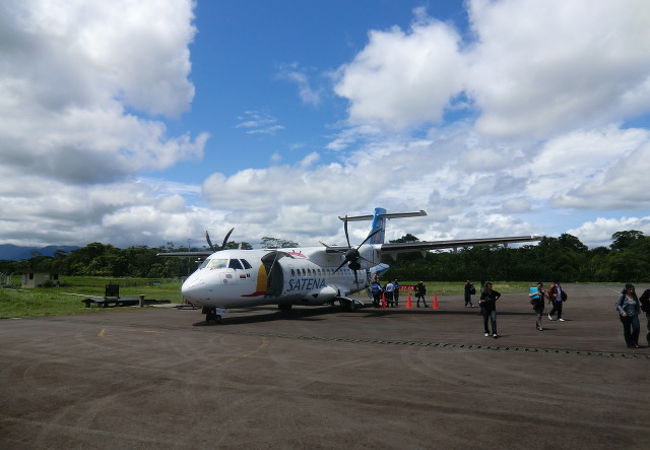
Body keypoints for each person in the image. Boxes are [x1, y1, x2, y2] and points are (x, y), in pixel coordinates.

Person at [616, 284, 641, 348]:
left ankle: (634, 341)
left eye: (632, 289)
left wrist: (638, 310)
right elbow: (617, 305)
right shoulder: (622, 296)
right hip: (625, 315)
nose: (632, 290)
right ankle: (630, 343)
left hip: (634, 314)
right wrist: (622, 312)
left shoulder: (634, 296)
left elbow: (637, 303)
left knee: (636, 328)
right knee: (627, 330)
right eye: (630, 289)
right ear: (626, 289)